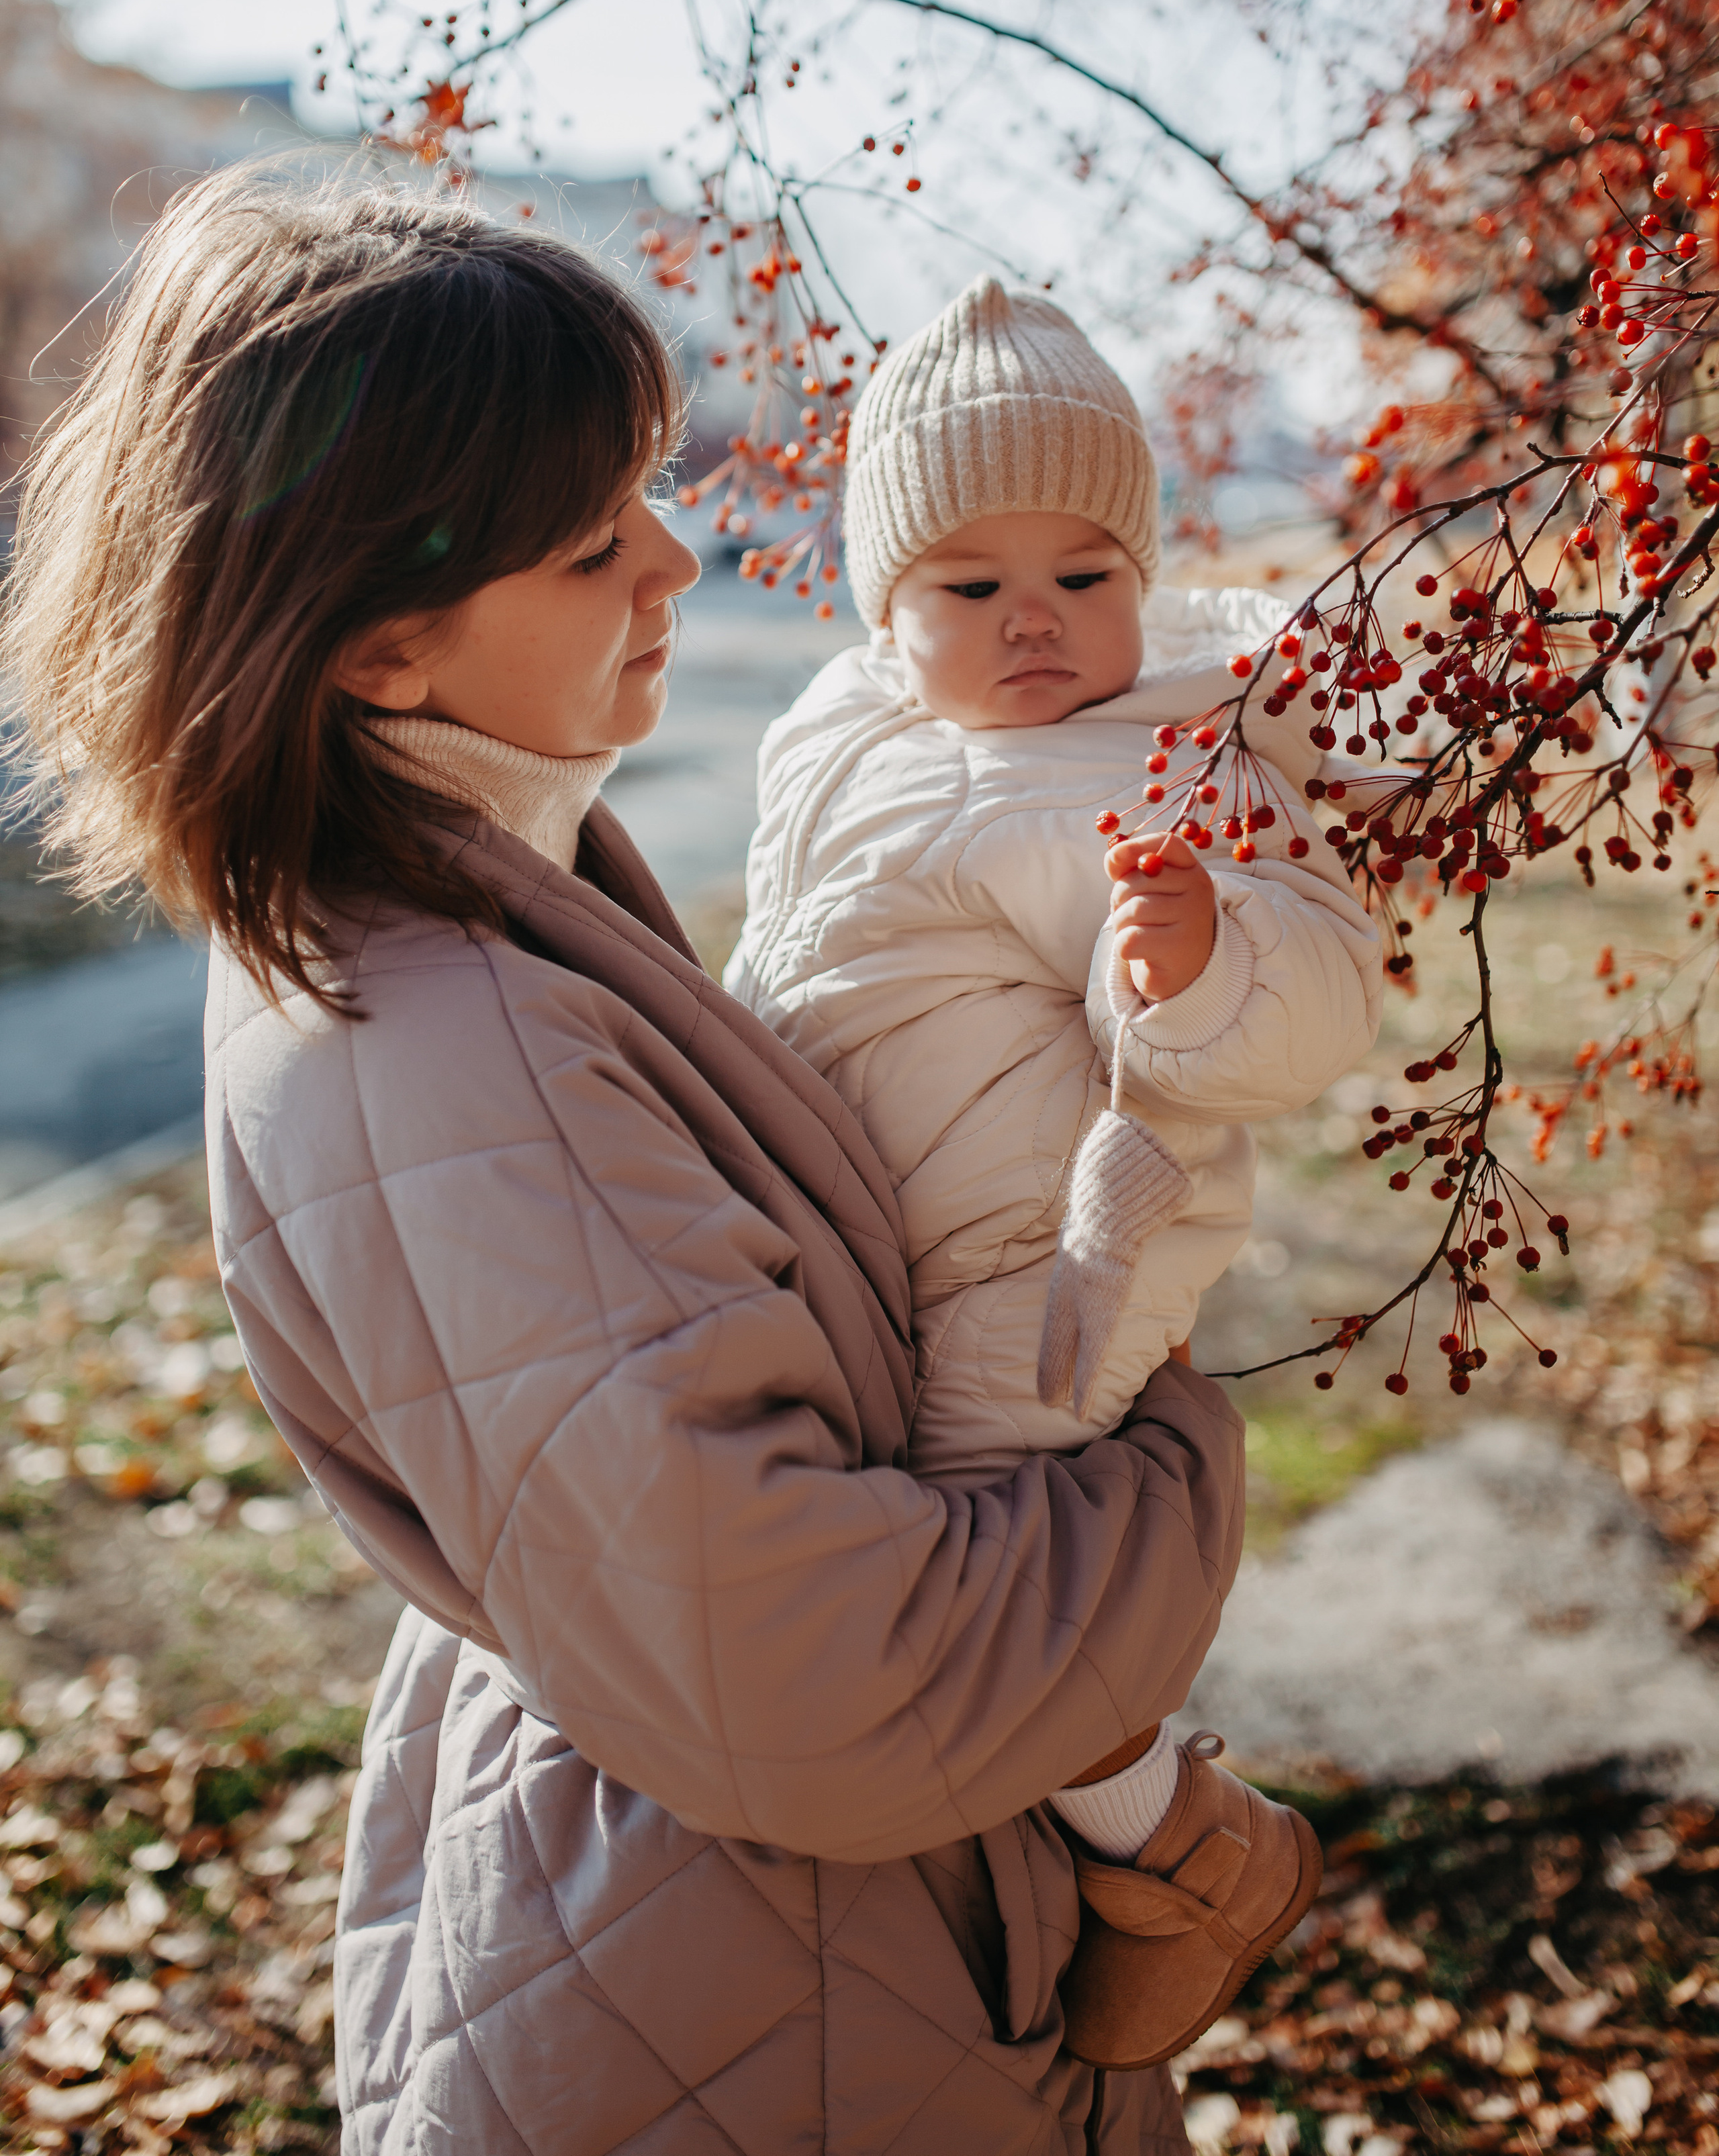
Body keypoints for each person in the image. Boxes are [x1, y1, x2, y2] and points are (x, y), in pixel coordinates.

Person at [7, 169, 1299, 2150]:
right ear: (377, 652)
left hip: (742, 1962)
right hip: (755, 2009)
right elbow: (830, 1678)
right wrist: (1177, 1470)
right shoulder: (453, 1051)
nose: (680, 558)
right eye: (597, 538)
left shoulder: (476, 905)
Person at [728, 273, 1381, 1877]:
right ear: (882, 608)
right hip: (855, 1222)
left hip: (1047, 1257)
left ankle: (1175, 1853)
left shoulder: (1160, 763)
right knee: (854, 1535)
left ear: (1140, 581)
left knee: (979, 1573)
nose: (1033, 616)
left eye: (1083, 573)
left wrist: (1191, 958)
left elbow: (1313, 987)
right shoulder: (840, 739)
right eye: (966, 583)